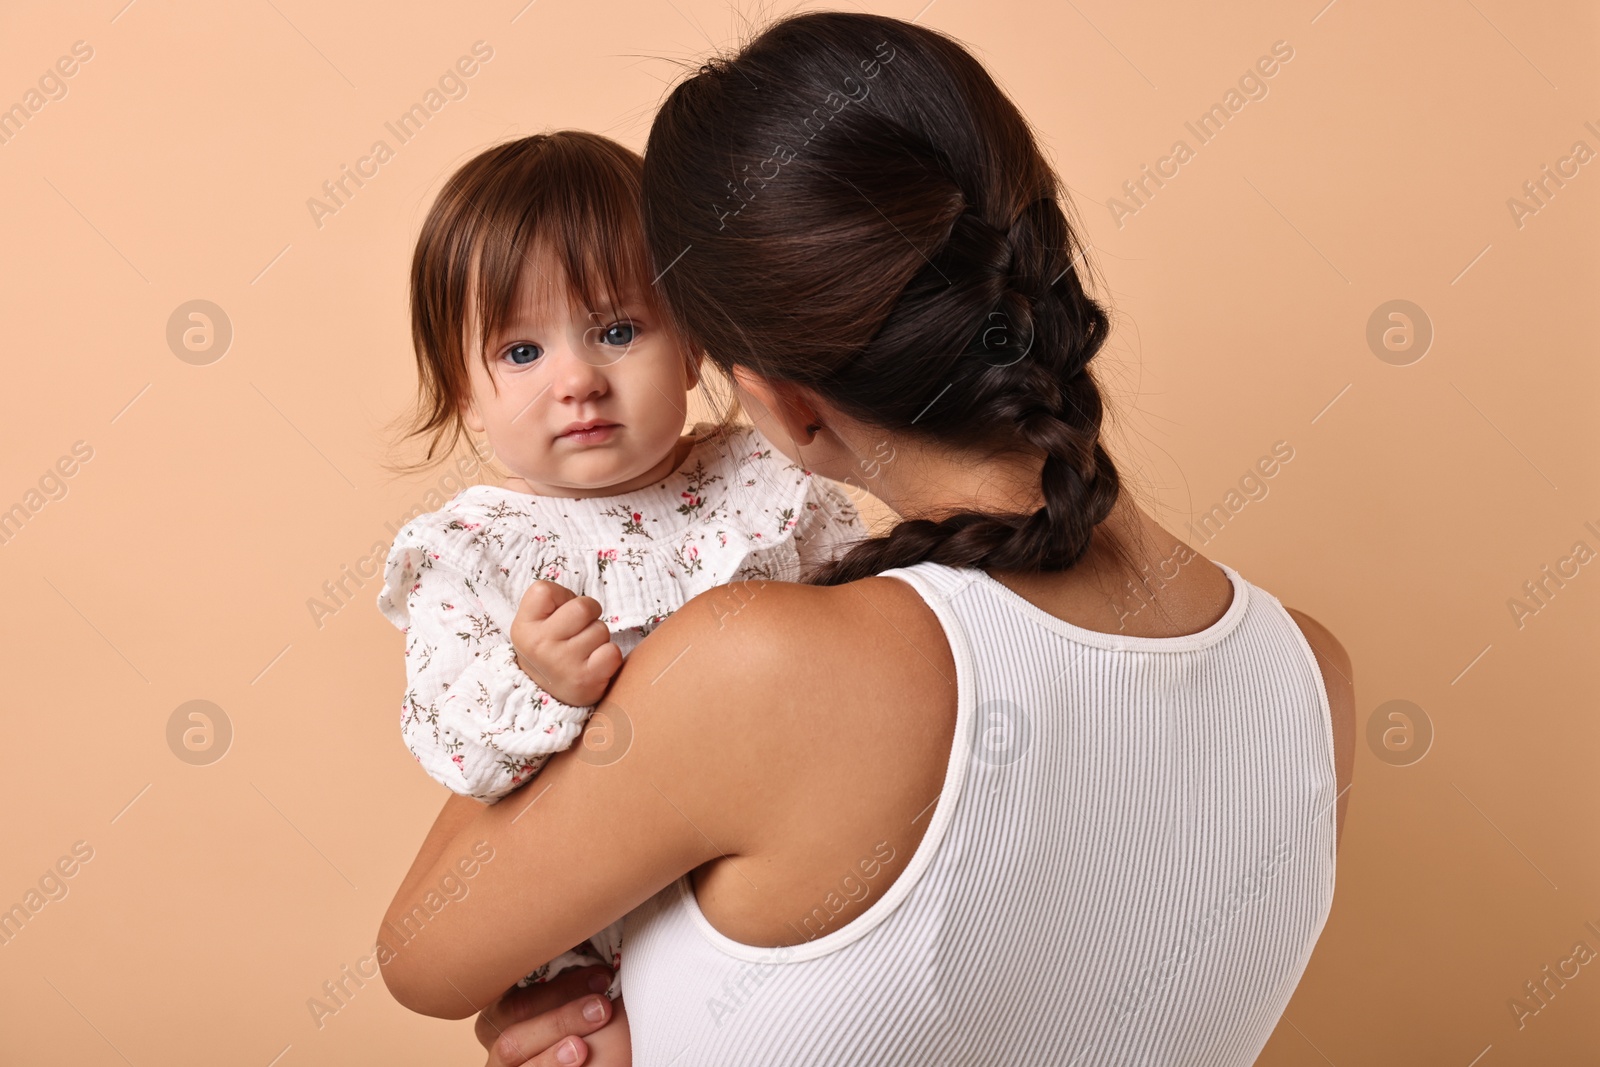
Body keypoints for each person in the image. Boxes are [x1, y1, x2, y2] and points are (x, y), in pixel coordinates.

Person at [378, 12, 1355, 1066]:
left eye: (621, 329)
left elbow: (422, 952)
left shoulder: (759, 662)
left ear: (780, 404)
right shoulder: (1312, 677)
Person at [373, 128, 865, 1050]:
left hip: (783, 869)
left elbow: (864, 628)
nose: (578, 381)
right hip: (590, 925)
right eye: (520, 352)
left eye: (616, 331)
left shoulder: (760, 478)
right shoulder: (475, 553)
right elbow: (460, 755)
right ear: (462, 389)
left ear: (692, 347)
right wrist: (539, 682)